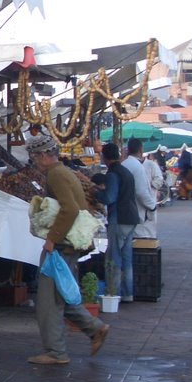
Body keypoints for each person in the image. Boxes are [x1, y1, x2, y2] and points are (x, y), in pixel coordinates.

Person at [25, 134, 109, 365]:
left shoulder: (56, 175)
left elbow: (69, 209)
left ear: (42, 156)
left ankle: (56, 352)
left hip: (63, 244)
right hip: (70, 244)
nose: (33, 161)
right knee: (62, 295)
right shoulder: (63, 172)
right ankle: (95, 329)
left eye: (33, 157)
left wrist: (52, 238)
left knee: (48, 301)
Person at [96, 142, 140, 302]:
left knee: (113, 257)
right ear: (119, 155)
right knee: (127, 258)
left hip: (119, 218)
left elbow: (109, 197)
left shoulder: (112, 174)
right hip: (131, 217)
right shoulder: (125, 172)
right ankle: (128, 294)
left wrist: (97, 194)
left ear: (104, 157)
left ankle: (112, 293)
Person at [122, 137, 158, 239]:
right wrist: (152, 206)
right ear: (141, 150)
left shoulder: (124, 164)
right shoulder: (137, 167)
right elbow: (141, 192)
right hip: (137, 211)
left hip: (125, 210)